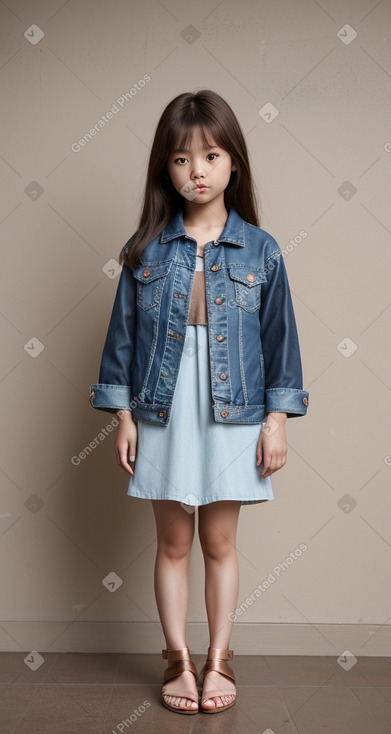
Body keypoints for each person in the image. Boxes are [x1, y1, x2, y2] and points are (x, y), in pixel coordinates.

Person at [89, 89, 309, 715]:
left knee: (218, 541)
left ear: (233, 162)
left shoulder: (262, 250)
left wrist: (276, 422)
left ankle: (219, 659)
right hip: (160, 404)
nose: (198, 171)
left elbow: (281, 342)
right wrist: (123, 416)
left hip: (235, 408)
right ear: (166, 167)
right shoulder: (144, 249)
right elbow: (121, 339)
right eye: (182, 159)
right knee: (173, 543)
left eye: (211, 155)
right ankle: (177, 660)